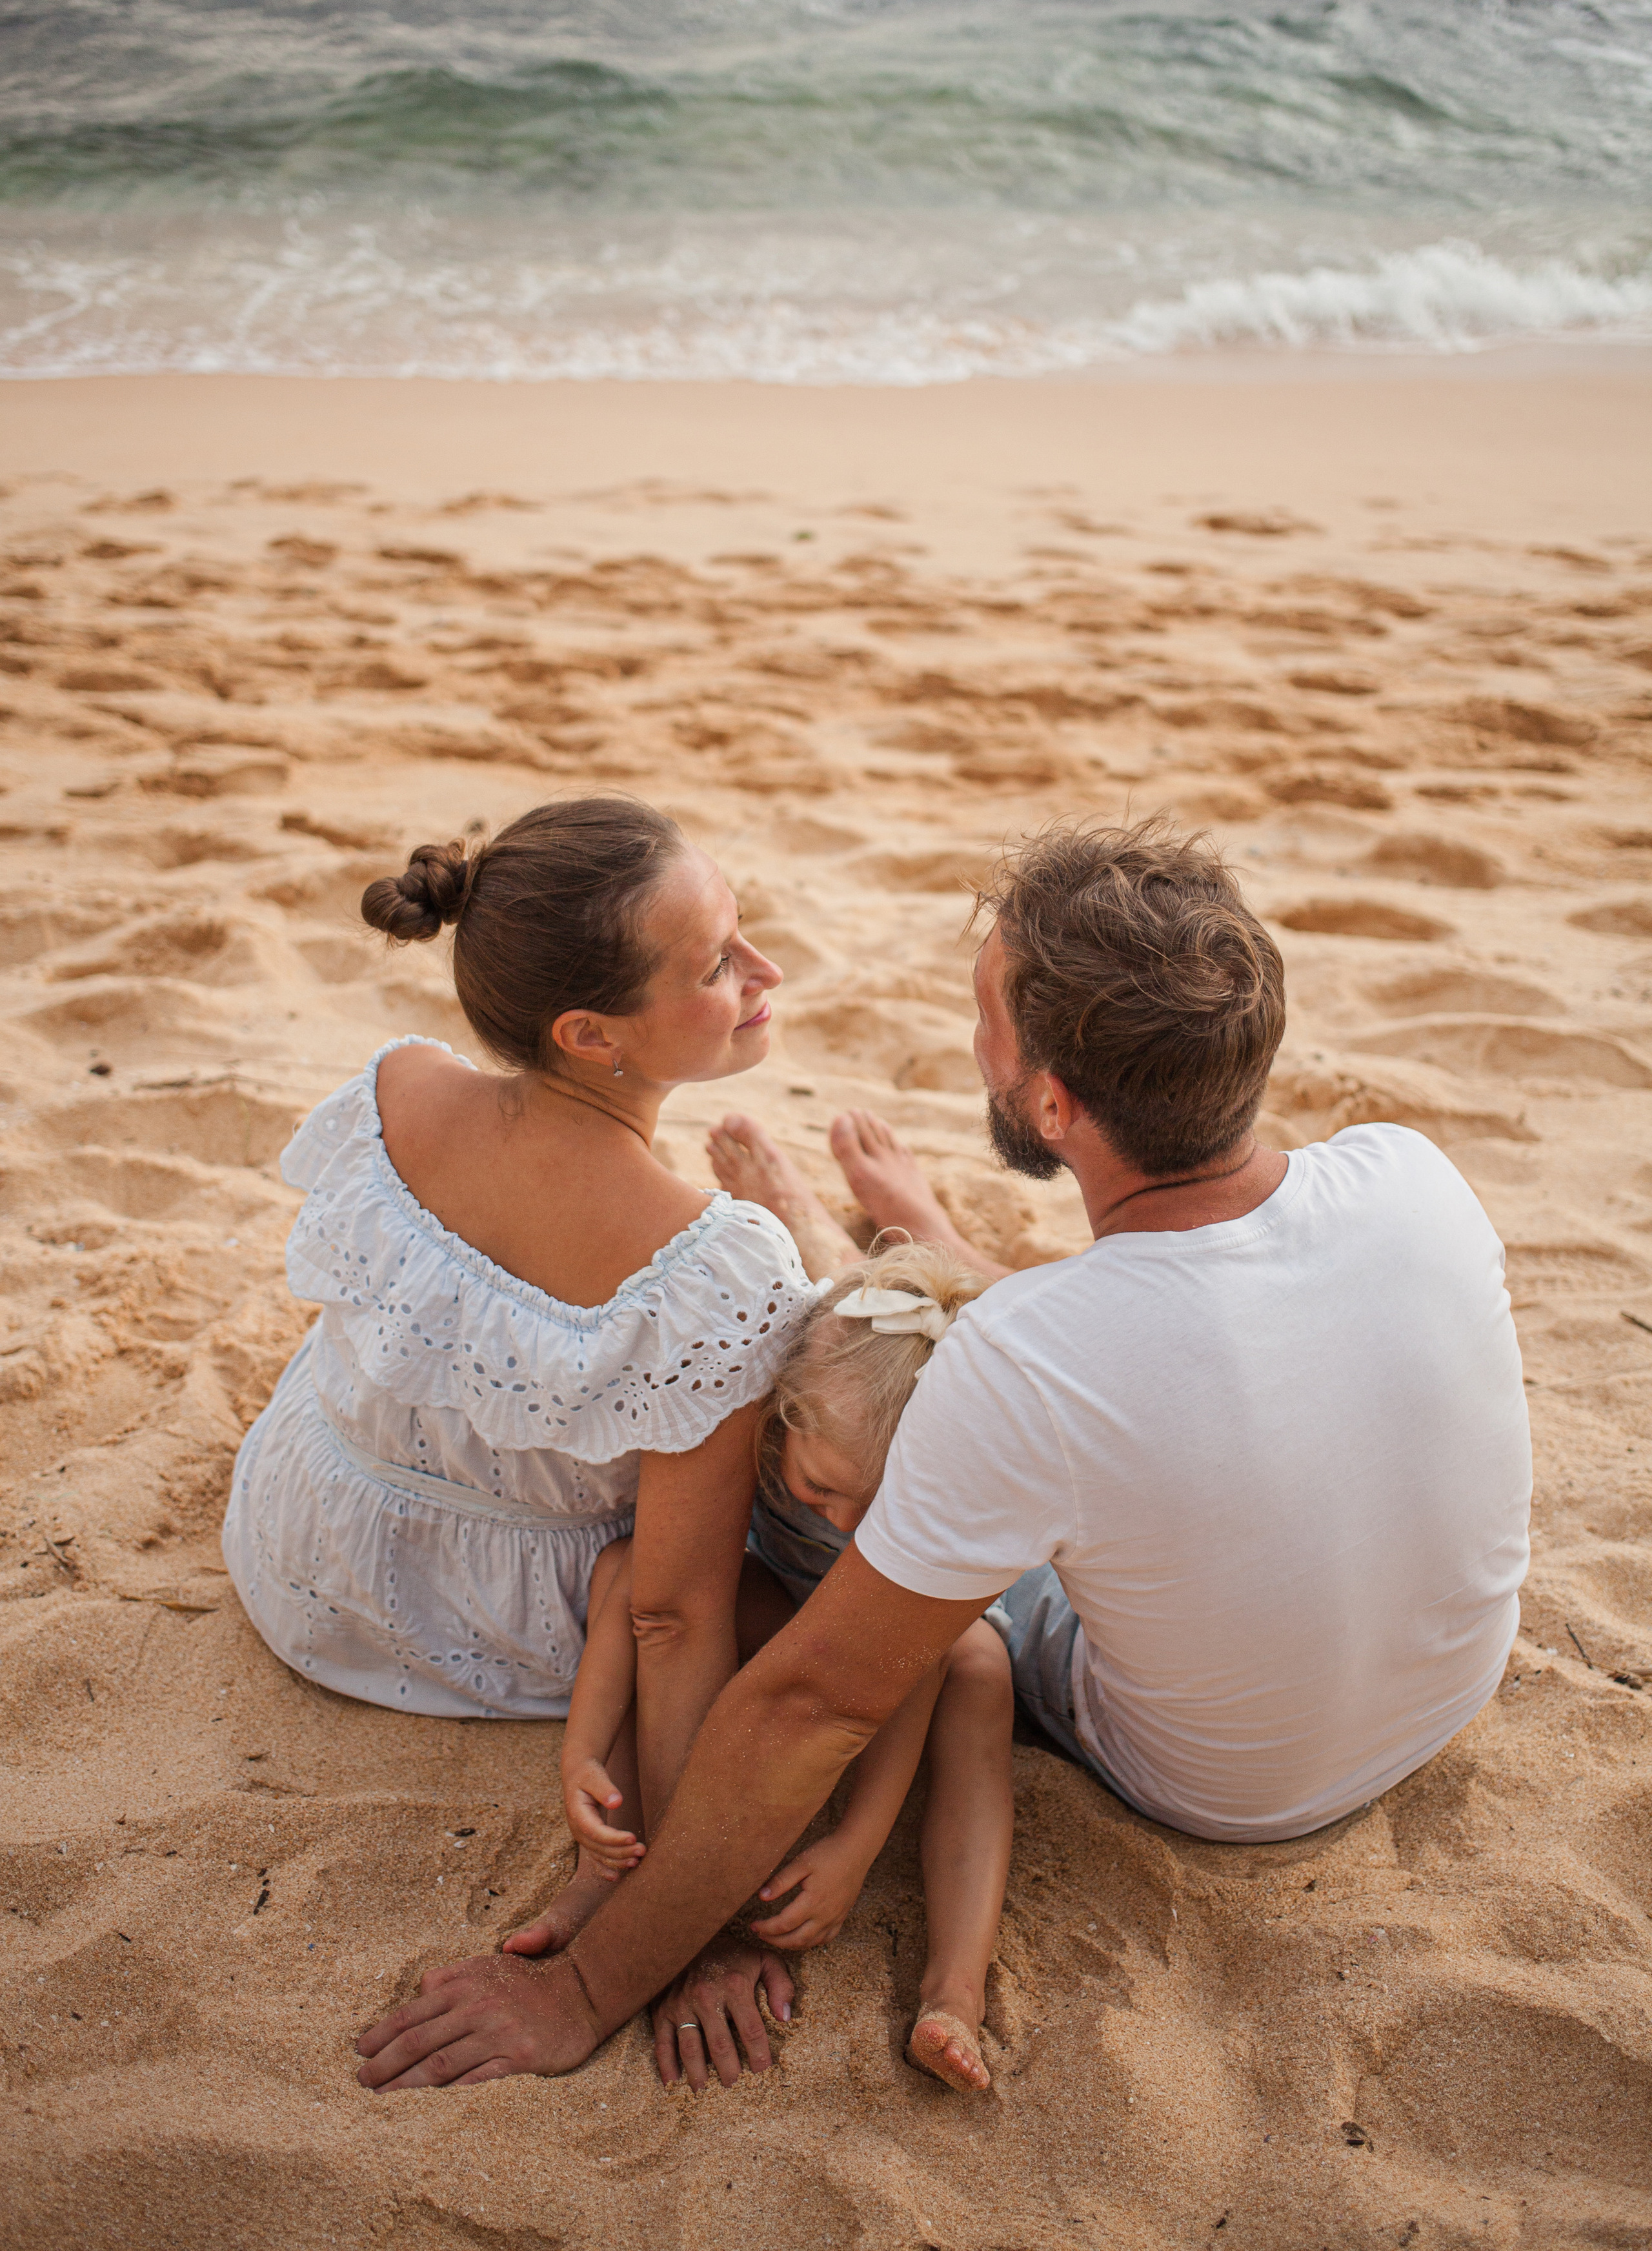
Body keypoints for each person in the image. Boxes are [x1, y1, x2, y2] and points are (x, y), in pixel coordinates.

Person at [352, 816, 1532, 2094]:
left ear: (1048, 1104)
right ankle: (875, 1248)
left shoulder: (1024, 1359)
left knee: (813, 1477)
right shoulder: (1411, 1176)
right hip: (1439, 1692)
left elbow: (816, 1703)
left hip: (1221, 1784)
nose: (974, 1045)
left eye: (988, 1025)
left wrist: (582, 1988)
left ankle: (840, 1259)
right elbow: (1147, 1335)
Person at [223, 794, 818, 1990]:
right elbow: (669, 1615)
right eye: (716, 965)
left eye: (742, 932)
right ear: (593, 1036)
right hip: (490, 1630)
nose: (766, 971)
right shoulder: (711, 1264)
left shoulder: (399, 1087)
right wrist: (679, 1894)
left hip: (298, 1547)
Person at [525, 1240, 1012, 2094]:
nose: (858, 1529)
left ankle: (953, 1994)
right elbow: (638, 1581)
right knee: (651, 1586)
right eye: (827, 1493)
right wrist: (582, 1750)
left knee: (977, 1673)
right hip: (787, 1610)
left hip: (902, 1642)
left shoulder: (941, 1488)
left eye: (884, 1509)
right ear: (785, 1414)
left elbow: (909, 1670)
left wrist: (856, 1848)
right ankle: (602, 1877)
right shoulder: (762, 1431)